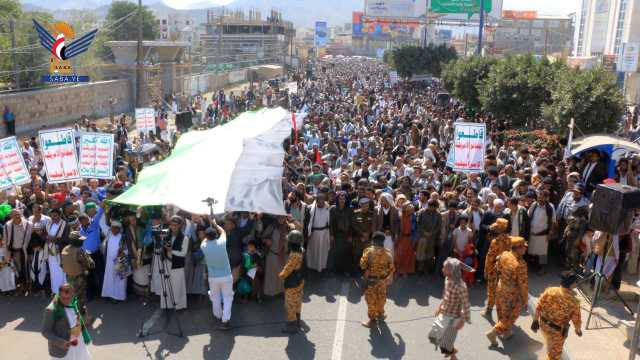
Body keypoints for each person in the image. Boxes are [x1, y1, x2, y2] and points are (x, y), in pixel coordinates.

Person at [486, 236, 529, 346]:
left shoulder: (504, 255)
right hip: (512, 294)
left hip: (500, 287)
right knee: (510, 316)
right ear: (517, 248)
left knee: (501, 312)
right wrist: (525, 300)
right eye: (523, 247)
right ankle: (493, 332)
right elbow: (523, 284)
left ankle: (507, 333)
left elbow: (497, 268)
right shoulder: (521, 264)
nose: (525, 249)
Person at [532, 271, 582, 360]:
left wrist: (535, 320)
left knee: (549, 342)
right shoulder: (574, 302)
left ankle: (549, 350)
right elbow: (576, 320)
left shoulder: (550, 290)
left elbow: (539, 306)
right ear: (571, 285)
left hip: (543, 325)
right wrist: (578, 330)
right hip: (557, 332)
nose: (576, 284)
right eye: (575, 282)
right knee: (555, 356)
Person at [430, 258, 472, 360]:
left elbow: (466, 305)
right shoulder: (447, 279)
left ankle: (453, 356)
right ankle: (451, 350)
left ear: (452, 271)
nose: (442, 269)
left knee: (444, 342)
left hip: (453, 317)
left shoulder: (461, 287)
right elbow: (445, 295)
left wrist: (462, 321)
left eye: (444, 268)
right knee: (436, 336)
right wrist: (439, 307)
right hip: (444, 313)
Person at [41, 283, 91, 360]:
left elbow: (76, 317)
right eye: (63, 298)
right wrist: (60, 343)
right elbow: (45, 331)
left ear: (72, 295)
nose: (66, 301)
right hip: (63, 348)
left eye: (68, 298)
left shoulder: (73, 302)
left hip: (78, 343)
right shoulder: (51, 310)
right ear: (59, 295)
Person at [201, 219, 233, 330]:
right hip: (226, 275)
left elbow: (204, 240)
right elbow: (223, 232)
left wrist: (207, 235)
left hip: (213, 277)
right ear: (216, 235)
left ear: (207, 236)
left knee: (215, 298)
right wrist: (215, 224)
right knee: (228, 298)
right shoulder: (222, 242)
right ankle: (225, 320)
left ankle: (218, 316)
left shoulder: (204, 246)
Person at [360, 231, 395, 328]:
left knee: (371, 301)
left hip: (371, 281)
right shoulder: (388, 253)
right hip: (382, 281)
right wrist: (387, 277)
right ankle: (380, 315)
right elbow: (392, 268)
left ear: (373, 240)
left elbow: (362, 265)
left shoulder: (368, 251)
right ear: (383, 241)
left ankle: (372, 321)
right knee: (381, 298)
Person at [61, 231, 95, 318]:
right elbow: (91, 264)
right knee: (80, 298)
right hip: (79, 278)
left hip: (69, 277)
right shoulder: (79, 251)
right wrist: (87, 255)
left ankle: (71, 315)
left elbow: (62, 265)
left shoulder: (65, 249)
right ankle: (80, 317)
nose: (82, 241)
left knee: (72, 296)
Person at [279, 230, 305, 334]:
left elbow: (288, 268)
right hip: (299, 280)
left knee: (290, 303)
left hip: (292, 282)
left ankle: (292, 325)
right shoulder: (301, 250)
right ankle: (297, 320)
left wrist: (281, 275)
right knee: (297, 301)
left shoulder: (295, 255)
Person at [483, 218, 511, 318]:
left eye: (496, 227)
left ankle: (489, 310)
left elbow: (490, 258)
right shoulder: (510, 240)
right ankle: (504, 315)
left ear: (500, 229)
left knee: (492, 290)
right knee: (503, 292)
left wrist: (486, 271)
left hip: (494, 269)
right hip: (506, 270)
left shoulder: (495, 242)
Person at [161, 216, 188, 310]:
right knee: (167, 285)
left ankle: (179, 305)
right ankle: (167, 304)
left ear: (180, 226)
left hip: (177, 265)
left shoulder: (184, 238)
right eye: (172, 225)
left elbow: (183, 253)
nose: (173, 227)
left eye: (175, 225)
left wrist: (171, 250)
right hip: (167, 263)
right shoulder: (166, 235)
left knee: (177, 286)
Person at [4, 209, 33, 293]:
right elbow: (6, 241)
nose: (17, 216)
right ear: (11, 216)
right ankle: (21, 287)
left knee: (28, 269)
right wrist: (7, 255)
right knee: (17, 270)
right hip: (14, 251)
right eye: (15, 215)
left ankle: (29, 287)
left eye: (18, 214)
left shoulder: (29, 224)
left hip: (27, 251)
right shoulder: (7, 225)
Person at [101, 221, 128, 302]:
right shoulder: (109, 236)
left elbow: (126, 250)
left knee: (119, 280)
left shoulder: (122, 237)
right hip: (109, 262)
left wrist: (121, 254)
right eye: (112, 227)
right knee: (109, 279)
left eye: (116, 228)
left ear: (119, 229)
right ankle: (109, 295)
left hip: (119, 262)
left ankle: (118, 297)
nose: (114, 229)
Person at [304, 191, 331, 272]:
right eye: (319, 199)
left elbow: (330, 223)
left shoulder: (327, 208)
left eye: (323, 199)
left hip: (324, 234)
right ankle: (312, 268)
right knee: (313, 251)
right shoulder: (310, 208)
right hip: (313, 234)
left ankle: (321, 268)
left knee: (323, 252)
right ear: (317, 200)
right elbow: (306, 223)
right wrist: (307, 234)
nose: (321, 201)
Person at [416, 199, 442, 274]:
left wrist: (432, 233)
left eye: (434, 207)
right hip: (422, 237)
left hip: (432, 237)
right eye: (430, 206)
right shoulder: (421, 212)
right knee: (421, 253)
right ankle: (420, 269)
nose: (432, 208)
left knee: (430, 254)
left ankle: (427, 269)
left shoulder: (438, 214)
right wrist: (424, 232)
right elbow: (418, 224)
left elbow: (438, 226)